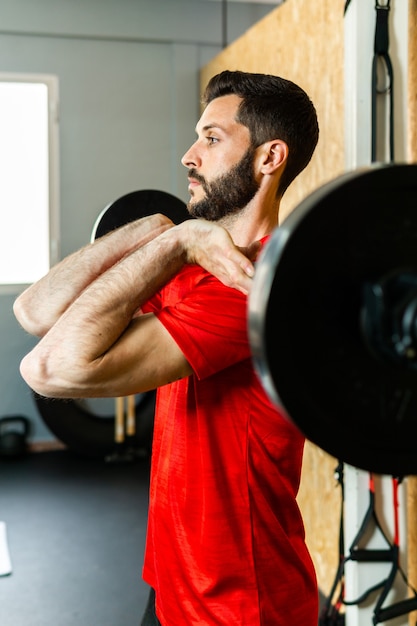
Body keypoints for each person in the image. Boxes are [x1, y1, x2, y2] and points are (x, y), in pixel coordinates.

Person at [14, 70, 320, 625]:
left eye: (211, 138)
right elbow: (34, 311)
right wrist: (160, 231)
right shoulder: (198, 263)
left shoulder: (257, 285)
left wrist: (179, 240)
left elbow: (50, 368)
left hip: (238, 606)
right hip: (174, 583)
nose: (188, 155)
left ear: (270, 157)